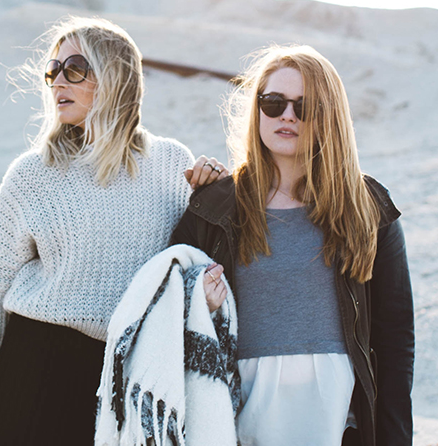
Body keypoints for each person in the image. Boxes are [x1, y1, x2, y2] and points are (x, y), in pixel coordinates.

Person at [0, 16, 226, 446]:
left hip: (124, 373)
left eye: (74, 69)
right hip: (34, 367)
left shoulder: (171, 163)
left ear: (116, 77)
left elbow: (187, 265)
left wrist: (214, 191)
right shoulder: (31, 174)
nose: (58, 81)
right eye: (52, 70)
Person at [170, 45, 413, 446]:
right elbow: (166, 312)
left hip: (340, 424)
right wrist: (200, 303)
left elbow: (395, 341)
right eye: (273, 103)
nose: (287, 115)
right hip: (239, 422)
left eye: (306, 107)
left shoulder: (367, 207)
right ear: (257, 110)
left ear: (329, 116)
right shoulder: (214, 209)